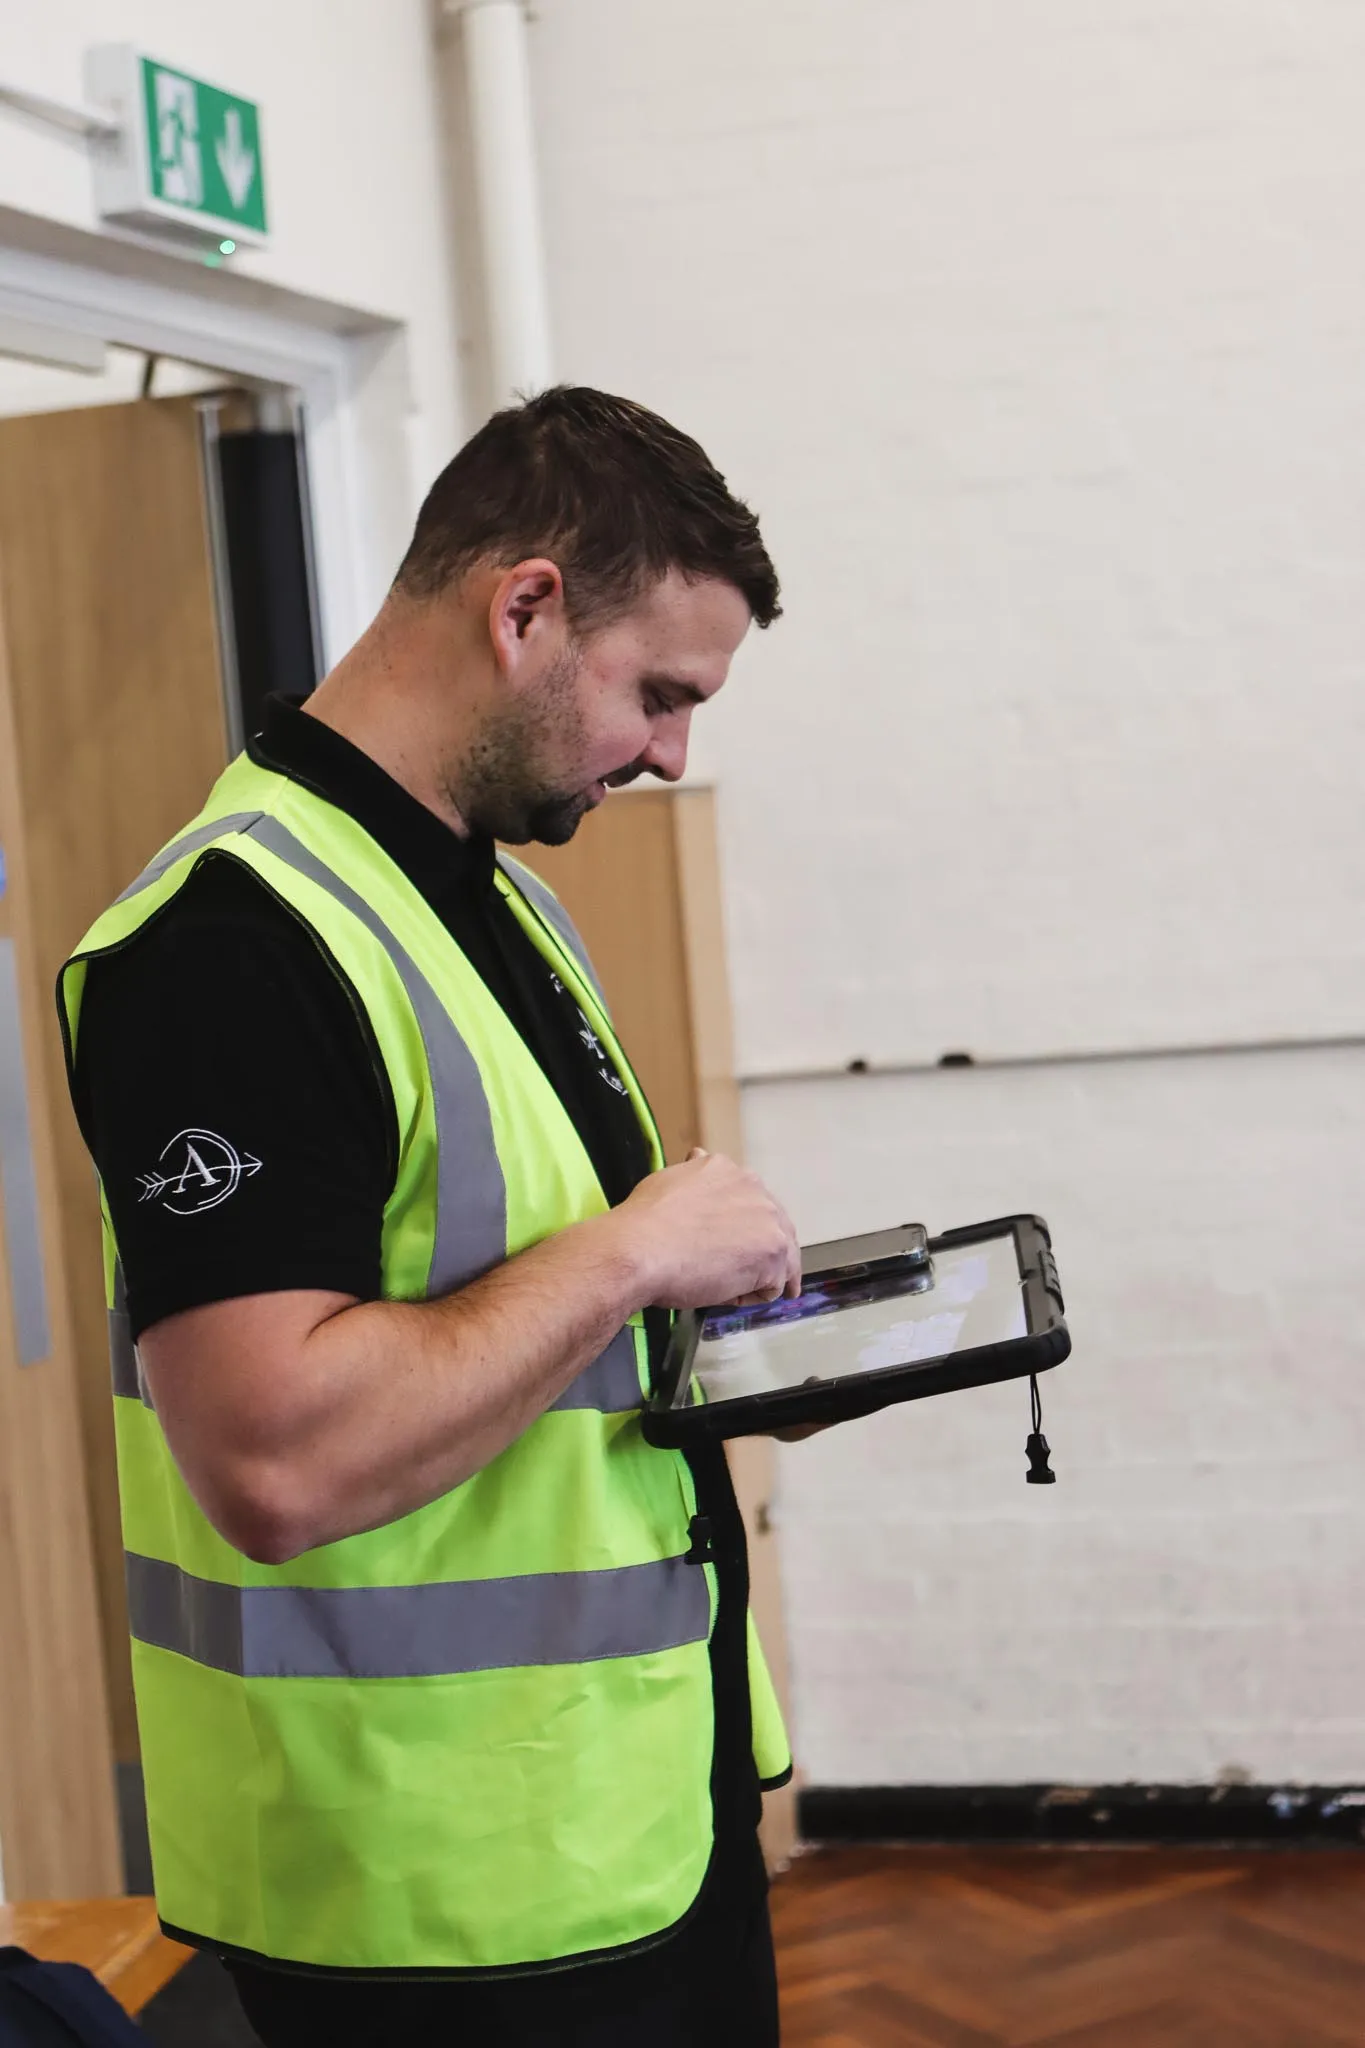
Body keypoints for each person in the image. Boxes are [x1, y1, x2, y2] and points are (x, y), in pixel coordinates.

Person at [58, 387, 801, 2047]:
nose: (675, 751)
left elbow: (519, 1310)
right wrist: (636, 1251)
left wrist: (714, 1333)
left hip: (626, 1816)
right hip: (435, 1892)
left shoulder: (497, 899)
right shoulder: (231, 939)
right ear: (525, 606)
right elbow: (277, 1460)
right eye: (659, 693)